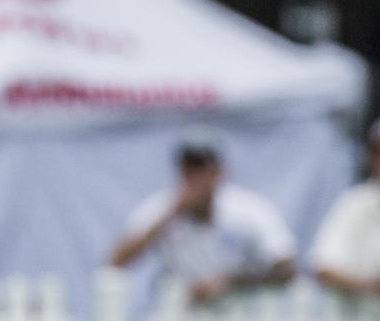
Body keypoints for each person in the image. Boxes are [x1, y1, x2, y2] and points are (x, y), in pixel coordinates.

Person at [107, 133, 295, 304]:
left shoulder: (250, 210)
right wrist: (171, 214)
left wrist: (229, 280)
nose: (197, 179)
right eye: (189, 171)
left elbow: (287, 270)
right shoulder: (162, 208)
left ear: (219, 172)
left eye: (203, 169)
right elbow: (116, 261)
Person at [311, 119, 380, 299]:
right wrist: (369, 285)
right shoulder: (355, 203)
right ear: (370, 156)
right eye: (377, 151)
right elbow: (325, 268)